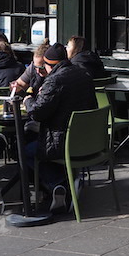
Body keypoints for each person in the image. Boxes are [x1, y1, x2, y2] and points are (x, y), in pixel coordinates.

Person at [23, 43, 97, 213]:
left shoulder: (55, 80)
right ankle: (61, 185)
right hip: (88, 141)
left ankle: (60, 183)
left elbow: (37, 112)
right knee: (35, 143)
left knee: (24, 150)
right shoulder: (83, 74)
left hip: (62, 142)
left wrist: (28, 100)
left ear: (50, 65)